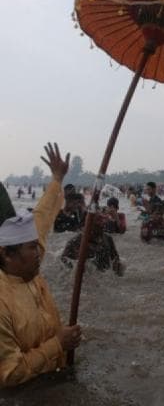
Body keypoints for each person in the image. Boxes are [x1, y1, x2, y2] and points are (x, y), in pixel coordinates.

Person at [0, 143, 82, 387]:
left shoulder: (25, 262)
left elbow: (43, 216)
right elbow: (9, 375)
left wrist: (57, 178)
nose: (40, 253)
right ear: (6, 254)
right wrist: (57, 344)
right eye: (32, 248)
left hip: (57, 373)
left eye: (38, 245)